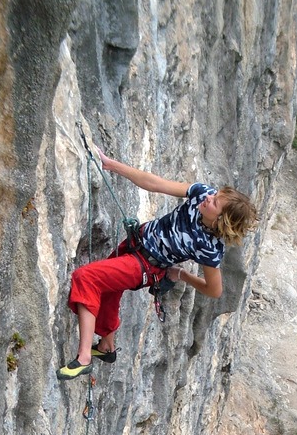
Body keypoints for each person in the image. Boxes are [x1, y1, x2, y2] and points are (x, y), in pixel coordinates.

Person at [57, 149, 258, 380]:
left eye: (215, 202)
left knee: (87, 278)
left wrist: (181, 274)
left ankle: (83, 358)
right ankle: (106, 347)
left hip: (144, 266)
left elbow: (215, 290)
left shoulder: (210, 248)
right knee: (109, 291)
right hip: (135, 243)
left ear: (221, 220)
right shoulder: (200, 194)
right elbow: (154, 183)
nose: (209, 198)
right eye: (215, 195)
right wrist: (112, 165)